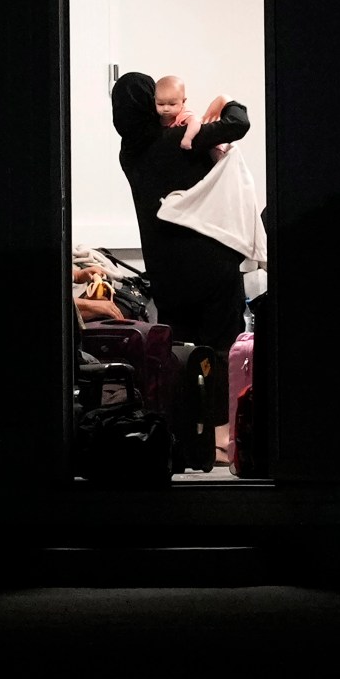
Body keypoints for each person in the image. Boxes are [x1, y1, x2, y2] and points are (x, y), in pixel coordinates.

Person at [112, 71, 252, 462]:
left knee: (180, 357)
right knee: (221, 351)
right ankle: (222, 441)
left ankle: (187, 440)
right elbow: (239, 123)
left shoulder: (128, 154)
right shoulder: (180, 140)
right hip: (211, 268)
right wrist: (223, 97)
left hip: (167, 276)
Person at [155, 74, 229, 160]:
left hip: (215, 147)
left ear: (183, 101)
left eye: (172, 104)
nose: (166, 109)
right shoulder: (157, 118)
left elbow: (195, 122)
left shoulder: (183, 114)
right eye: (160, 104)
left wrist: (188, 138)